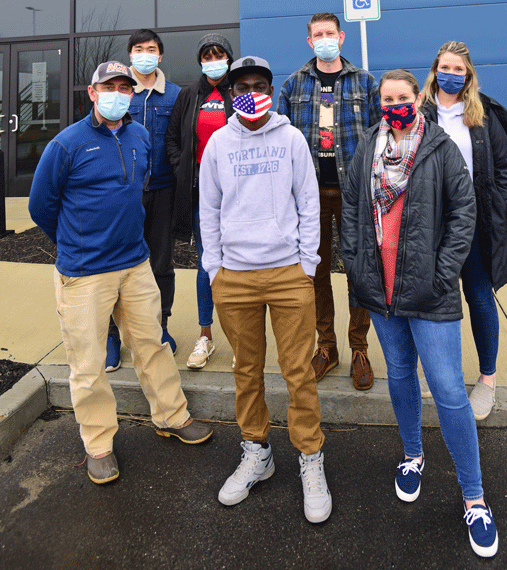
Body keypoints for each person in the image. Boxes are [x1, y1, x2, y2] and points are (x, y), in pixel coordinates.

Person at [29, 61, 213, 485]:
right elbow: (41, 206)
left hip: (135, 264)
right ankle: (98, 444)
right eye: (108, 87)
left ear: (132, 94)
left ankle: (172, 416)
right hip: (85, 273)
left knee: (152, 344)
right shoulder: (66, 144)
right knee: (88, 362)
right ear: (92, 93)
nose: (117, 93)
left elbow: (141, 188)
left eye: (124, 88)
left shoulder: (140, 136)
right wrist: (76, 241)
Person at [342, 69, 498, 557]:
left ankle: (474, 496)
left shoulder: (439, 148)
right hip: (381, 291)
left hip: (429, 293)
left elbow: (463, 211)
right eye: (386, 98)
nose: (395, 104)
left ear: (417, 98)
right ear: (379, 103)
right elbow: (350, 208)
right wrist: (355, 262)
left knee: (450, 389)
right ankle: (413, 455)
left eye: (402, 97)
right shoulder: (367, 148)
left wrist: (444, 270)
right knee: (402, 376)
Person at [200, 56, 331, 524]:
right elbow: (208, 210)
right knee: (246, 371)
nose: (250, 91)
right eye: (242, 85)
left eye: (258, 84)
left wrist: (307, 264)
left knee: (298, 370)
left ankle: (310, 459)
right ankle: (257, 451)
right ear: (231, 93)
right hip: (234, 277)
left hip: (287, 273)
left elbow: (309, 201)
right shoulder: (218, 143)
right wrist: (214, 268)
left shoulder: (291, 138)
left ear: (270, 90)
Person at [277, 12, 381, 390]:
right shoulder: (292, 86)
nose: (324, 39)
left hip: (353, 193)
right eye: (317, 34)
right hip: (309, 196)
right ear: (309, 42)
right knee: (316, 272)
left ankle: (359, 348)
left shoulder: (365, 83)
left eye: (329, 33)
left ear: (341, 37)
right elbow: (282, 142)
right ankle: (327, 346)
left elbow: (377, 138)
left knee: (357, 269)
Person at [420, 41, 507, 421]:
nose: (451, 75)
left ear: (468, 74)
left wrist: (506, 208)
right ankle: (440, 372)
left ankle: (487, 379)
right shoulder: (420, 113)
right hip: (433, 222)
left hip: (476, 221)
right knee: (436, 297)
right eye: (445, 67)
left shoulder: (483, 113)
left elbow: (503, 166)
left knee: (478, 296)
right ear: (435, 70)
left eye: (458, 69)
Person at [105, 29, 182, 373]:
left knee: (161, 262)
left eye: (151, 49)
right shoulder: (118, 93)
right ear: (130, 54)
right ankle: (111, 335)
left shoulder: (176, 95)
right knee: (112, 263)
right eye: (139, 49)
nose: (145, 54)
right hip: (124, 191)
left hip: (162, 189)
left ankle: (159, 325)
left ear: (161, 56)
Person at [165, 33, 234, 370]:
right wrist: (183, 168)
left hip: (237, 194)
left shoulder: (239, 92)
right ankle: (205, 335)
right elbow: (173, 137)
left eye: (219, 54)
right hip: (199, 194)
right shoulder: (189, 95)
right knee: (208, 262)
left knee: (238, 261)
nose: (213, 59)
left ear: (229, 58)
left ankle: (240, 337)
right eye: (207, 55)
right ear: (200, 61)